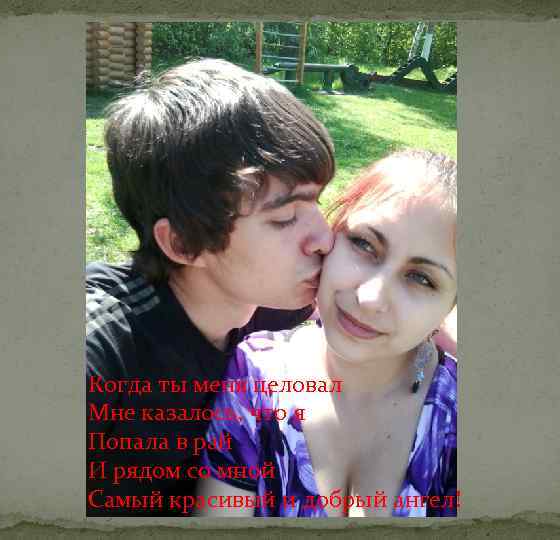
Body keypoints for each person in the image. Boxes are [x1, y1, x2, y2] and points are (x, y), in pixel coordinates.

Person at [86, 58, 337, 516]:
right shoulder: (104, 347)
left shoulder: (269, 300)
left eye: (316, 202)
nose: (324, 238)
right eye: (285, 217)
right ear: (184, 243)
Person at [197, 149, 458, 517]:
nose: (370, 298)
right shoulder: (255, 375)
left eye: (421, 278)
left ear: (450, 306)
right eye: (364, 244)